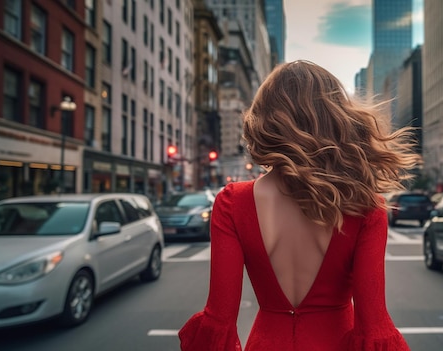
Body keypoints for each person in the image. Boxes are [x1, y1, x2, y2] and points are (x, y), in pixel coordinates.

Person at [178, 60, 420, 351]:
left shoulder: (232, 203)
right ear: (335, 118)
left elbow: (219, 320)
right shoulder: (365, 206)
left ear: (264, 120)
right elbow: (374, 325)